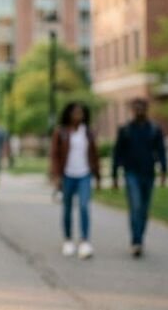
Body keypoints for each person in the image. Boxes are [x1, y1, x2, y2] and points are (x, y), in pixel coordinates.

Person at [112, 98, 167, 257]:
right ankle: (136, 241)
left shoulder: (154, 130)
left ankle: (140, 238)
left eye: (141, 108)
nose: (138, 111)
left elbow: (161, 151)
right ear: (132, 110)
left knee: (144, 209)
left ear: (146, 109)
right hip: (131, 173)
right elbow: (117, 154)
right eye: (135, 108)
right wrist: (115, 176)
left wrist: (163, 171)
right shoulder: (125, 130)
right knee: (135, 207)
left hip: (148, 174)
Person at [50, 102, 100, 260]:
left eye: (81, 113)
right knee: (67, 209)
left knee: (84, 207)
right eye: (76, 113)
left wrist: (97, 175)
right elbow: (55, 155)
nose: (79, 116)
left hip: (84, 175)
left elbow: (94, 155)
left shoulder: (88, 133)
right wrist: (57, 176)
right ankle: (68, 240)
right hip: (67, 175)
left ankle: (85, 241)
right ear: (69, 115)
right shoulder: (61, 132)